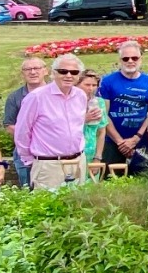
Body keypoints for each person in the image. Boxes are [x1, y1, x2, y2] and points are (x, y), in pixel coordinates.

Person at [16, 54, 93, 189]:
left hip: (78, 162)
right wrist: (29, 161)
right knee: (48, 208)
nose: (68, 75)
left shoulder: (81, 95)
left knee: (78, 206)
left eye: (73, 72)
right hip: (49, 165)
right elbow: (22, 131)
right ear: (53, 73)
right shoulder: (36, 97)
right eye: (63, 71)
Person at [99, 41, 148, 175]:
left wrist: (136, 138)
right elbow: (104, 114)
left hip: (142, 141)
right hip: (113, 142)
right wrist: (120, 142)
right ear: (120, 60)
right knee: (112, 183)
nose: (130, 61)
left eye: (134, 58)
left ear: (141, 59)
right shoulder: (108, 81)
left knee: (144, 180)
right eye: (126, 58)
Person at [3, 57, 47, 188]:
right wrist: (31, 137)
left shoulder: (55, 94)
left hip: (50, 152)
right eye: (28, 69)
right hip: (24, 153)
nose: (32, 72)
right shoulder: (15, 97)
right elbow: (9, 125)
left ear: (46, 71)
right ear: (23, 74)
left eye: (36, 68)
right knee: (28, 190)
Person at [76, 70, 109, 168]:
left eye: (94, 85)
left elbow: (102, 132)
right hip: (74, 154)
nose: (90, 88)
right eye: (87, 85)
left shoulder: (99, 102)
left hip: (92, 153)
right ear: (77, 85)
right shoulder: (70, 103)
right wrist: (84, 120)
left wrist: (97, 158)